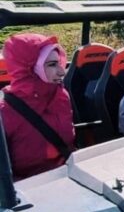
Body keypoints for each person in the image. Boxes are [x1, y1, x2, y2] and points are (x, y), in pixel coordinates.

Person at [0, 33, 75, 180]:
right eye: (52, 65)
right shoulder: (5, 112)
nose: (61, 71)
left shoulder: (61, 96)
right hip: (29, 191)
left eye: (59, 62)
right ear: (31, 68)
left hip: (68, 178)